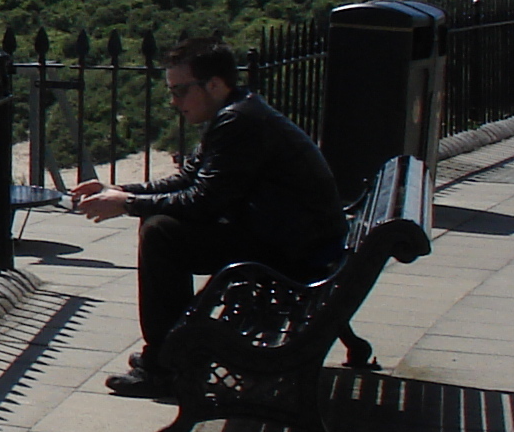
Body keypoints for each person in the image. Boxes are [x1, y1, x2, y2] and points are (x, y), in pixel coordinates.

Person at [71, 39, 343, 399]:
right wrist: (119, 188)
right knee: (161, 225)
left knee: (161, 234)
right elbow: (188, 179)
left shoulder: (239, 122)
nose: (174, 102)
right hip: (294, 238)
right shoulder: (236, 113)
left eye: (181, 91)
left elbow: (202, 202)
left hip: (294, 253)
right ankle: (171, 352)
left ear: (214, 84)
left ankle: (167, 366)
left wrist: (128, 203)